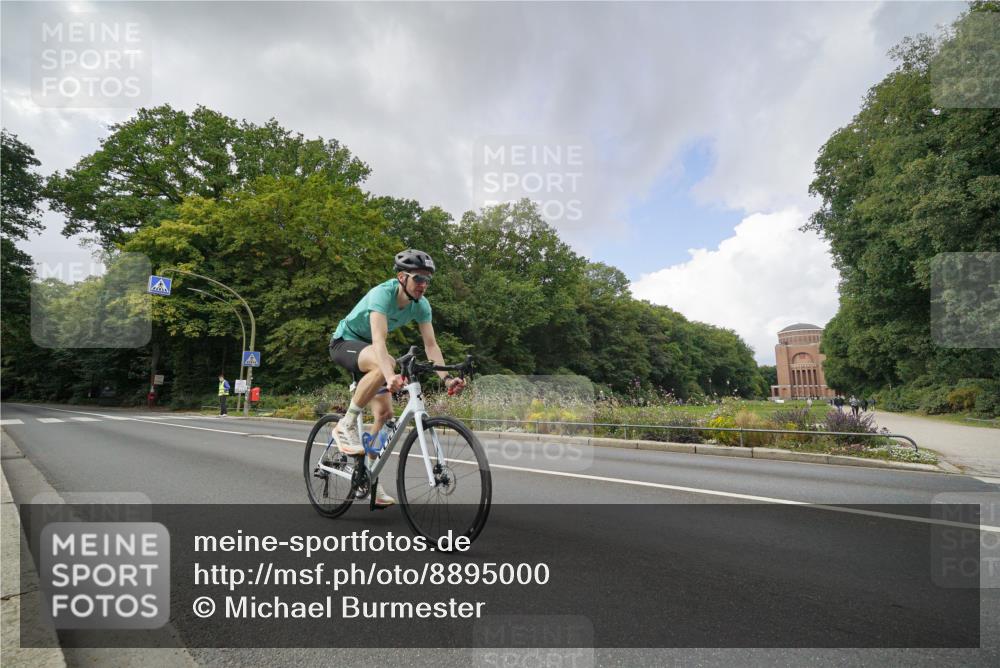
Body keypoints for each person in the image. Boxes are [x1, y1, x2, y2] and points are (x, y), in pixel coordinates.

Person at [327, 249, 467, 507]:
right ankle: (345, 424)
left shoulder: (422, 305)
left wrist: (446, 378)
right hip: (346, 343)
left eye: (427, 280)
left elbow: (431, 345)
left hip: (371, 352)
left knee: (384, 416)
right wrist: (390, 375)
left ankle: (368, 478)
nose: (423, 285)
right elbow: (379, 341)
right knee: (386, 364)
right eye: (418, 279)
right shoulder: (383, 294)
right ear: (402, 277)